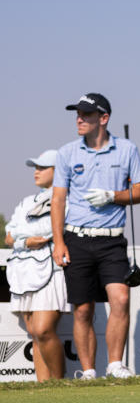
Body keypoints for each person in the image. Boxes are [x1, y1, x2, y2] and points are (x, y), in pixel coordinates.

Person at [51, 93, 140, 380]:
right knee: (82, 309)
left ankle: (115, 365)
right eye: (78, 114)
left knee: (120, 299)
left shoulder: (127, 150)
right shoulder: (67, 153)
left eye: (86, 114)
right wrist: (58, 242)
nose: (79, 119)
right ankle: (90, 371)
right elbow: (58, 201)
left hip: (111, 240)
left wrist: (113, 196)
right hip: (77, 239)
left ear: (103, 119)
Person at [5, 149, 72, 381]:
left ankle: (57, 384)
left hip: (50, 271)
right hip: (23, 272)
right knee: (34, 333)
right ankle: (43, 388)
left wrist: (24, 234)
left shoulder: (67, 199)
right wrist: (25, 239)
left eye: (43, 167)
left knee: (43, 329)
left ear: (58, 171)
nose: (36, 172)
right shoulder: (25, 202)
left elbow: (49, 232)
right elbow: (9, 236)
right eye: (36, 167)